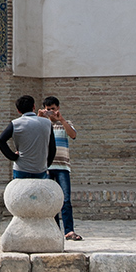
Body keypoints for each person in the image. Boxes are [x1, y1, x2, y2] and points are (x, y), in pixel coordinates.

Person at [43, 95, 81, 242]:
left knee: (66, 200)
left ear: (58, 108)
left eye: (53, 109)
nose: (51, 112)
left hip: (62, 167)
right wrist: (40, 117)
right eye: (48, 109)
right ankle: (54, 230)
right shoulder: (43, 124)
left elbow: (73, 135)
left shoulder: (66, 123)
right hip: (47, 167)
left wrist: (62, 120)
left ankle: (69, 230)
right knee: (50, 201)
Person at [0, 93, 56, 179]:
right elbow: (52, 147)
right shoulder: (47, 123)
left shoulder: (15, 123)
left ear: (18, 110)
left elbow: (0, 140)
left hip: (21, 168)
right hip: (40, 168)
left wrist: (13, 156)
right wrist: (47, 164)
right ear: (34, 106)